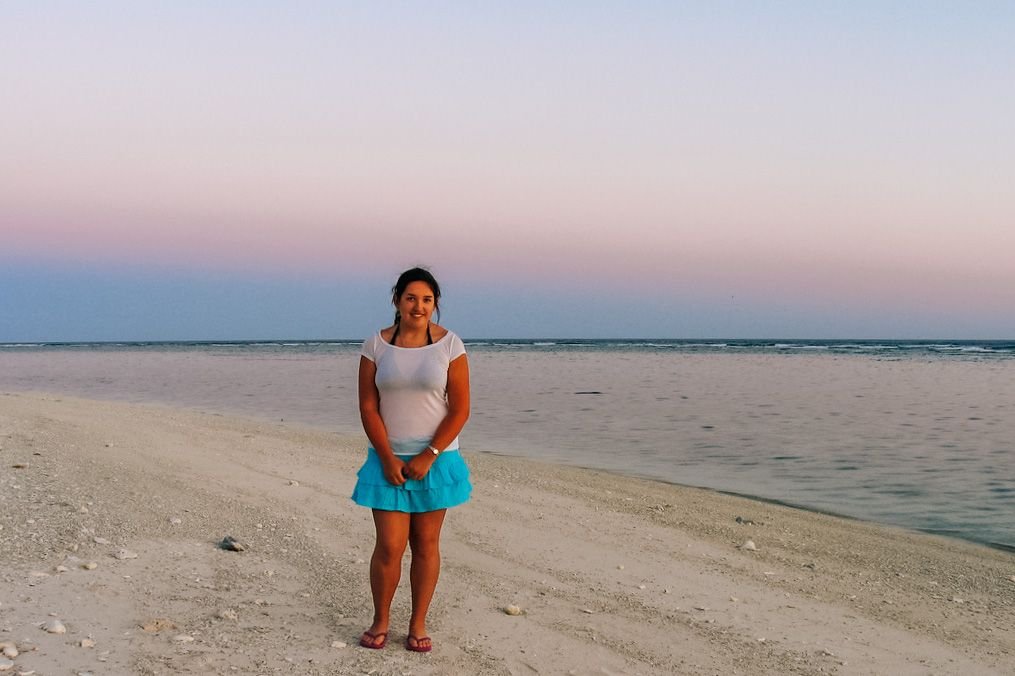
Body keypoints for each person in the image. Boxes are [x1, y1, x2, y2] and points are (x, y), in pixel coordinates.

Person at [351, 267, 472, 653]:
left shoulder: (450, 345)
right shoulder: (376, 345)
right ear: (397, 300)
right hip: (388, 458)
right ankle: (380, 619)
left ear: (434, 304)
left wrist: (429, 454)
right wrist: (387, 458)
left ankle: (417, 623)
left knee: (426, 544)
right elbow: (369, 407)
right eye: (411, 298)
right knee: (388, 545)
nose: (418, 306)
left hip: (436, 460)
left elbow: (460, 409)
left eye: (427, 300)